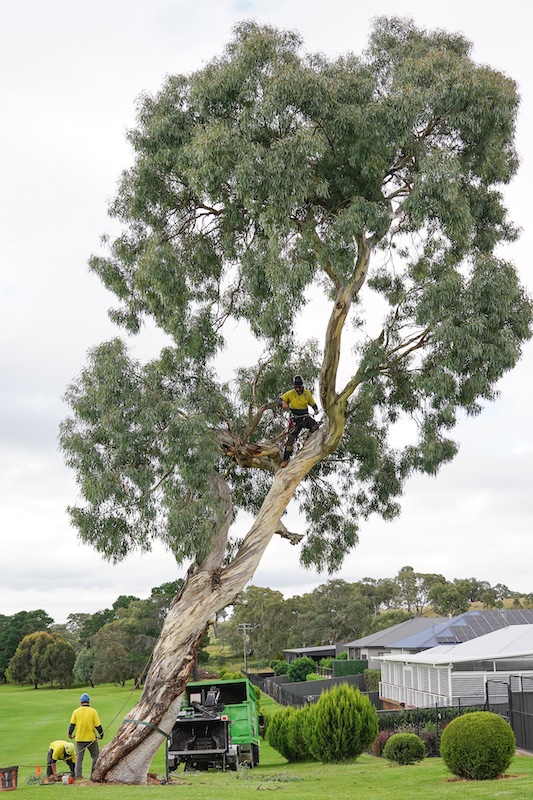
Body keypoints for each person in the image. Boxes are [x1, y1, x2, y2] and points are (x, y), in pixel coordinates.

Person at [277, 375, 320, 467]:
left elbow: (313, 403)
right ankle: (285, 460)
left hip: (305, 416)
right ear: (294, 387)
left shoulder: (307, 393)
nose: (298, 389)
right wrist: (283, 403)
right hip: (295, 419)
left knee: (315, 426)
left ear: (302, 386)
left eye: (299, 387)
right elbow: (279, 399)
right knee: (291, 439)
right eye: (296, 387)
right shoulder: (290, 393)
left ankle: (307, 442)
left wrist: (315, 410)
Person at [68, 693, 104, 780]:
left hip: (79, 739)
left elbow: (72, 725)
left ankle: (78, 776)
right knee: (95, 756)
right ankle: (94, 774)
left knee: (79, 759)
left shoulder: (76, 712)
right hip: (91, 739)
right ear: (89, 702)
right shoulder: (93, 711)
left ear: (81, 702)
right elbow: (98, 726)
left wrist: (70, 734)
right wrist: (101, 734)